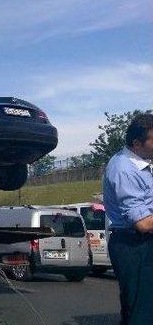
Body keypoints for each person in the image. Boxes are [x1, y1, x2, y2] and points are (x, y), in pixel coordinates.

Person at [103, 113, 153, 324]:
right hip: (134, 245)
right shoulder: (124, 169)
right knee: (142, 311)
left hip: (141, 243)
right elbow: (142, 223)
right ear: (137, 143)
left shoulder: (140, 164)